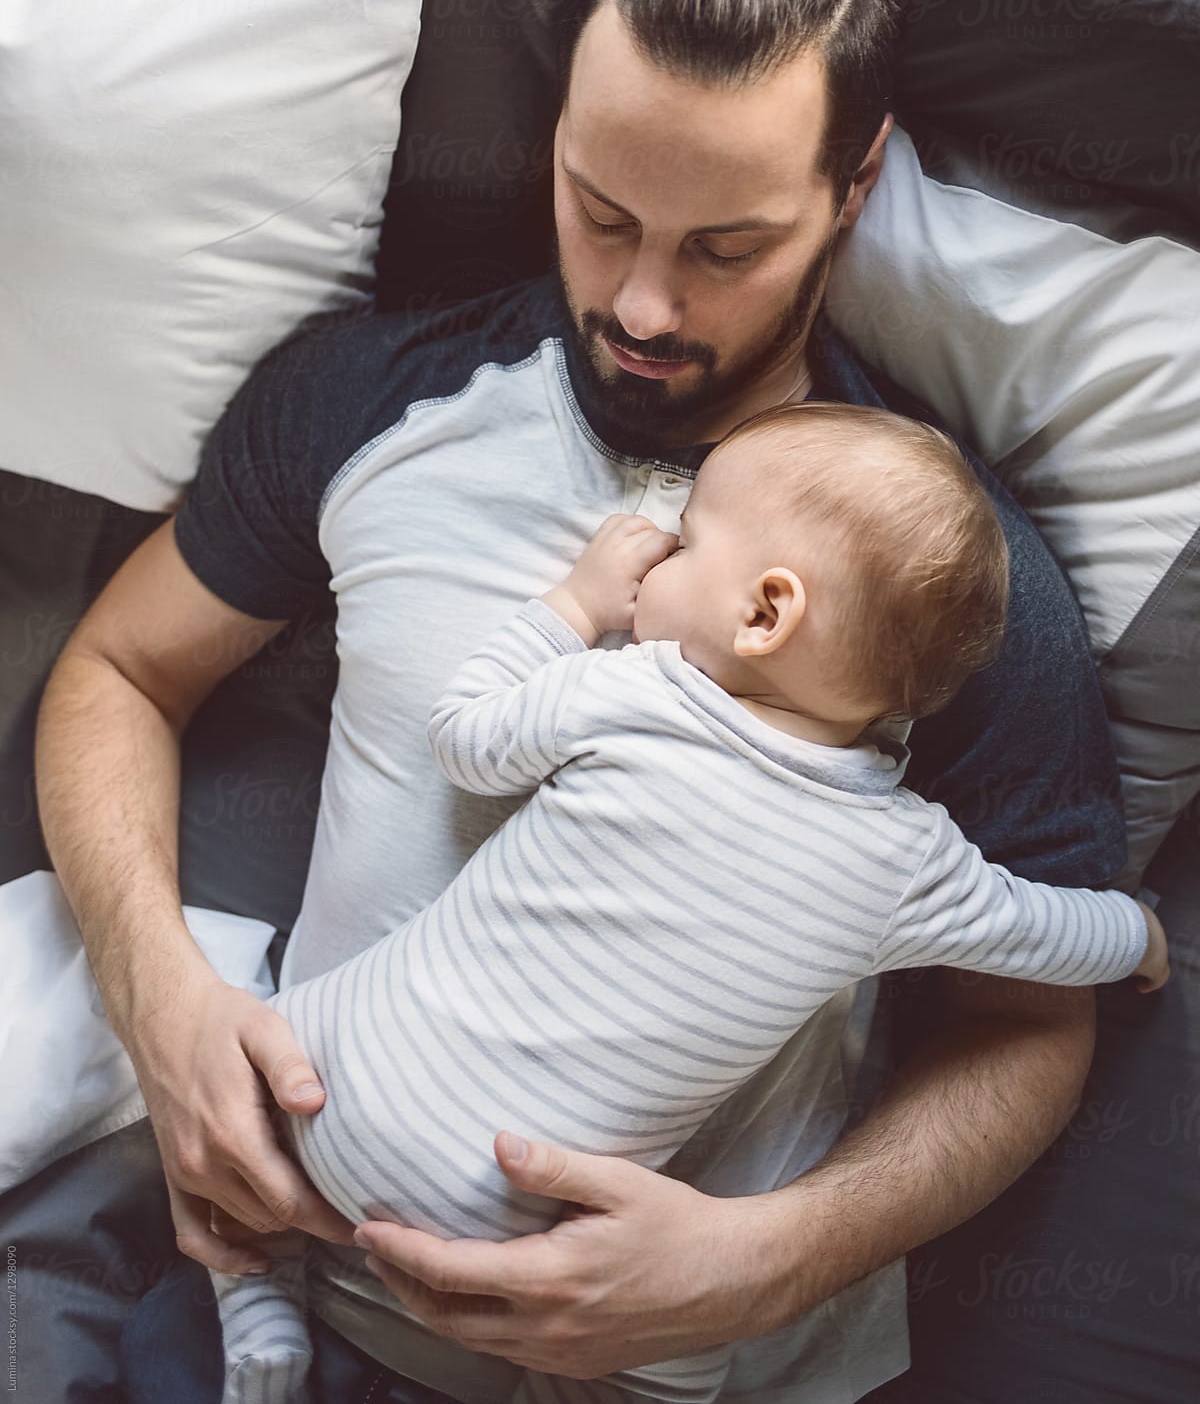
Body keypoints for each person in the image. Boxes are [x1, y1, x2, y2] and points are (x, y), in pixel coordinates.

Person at [37, 0, 1131, 1403]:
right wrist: (160, 1001)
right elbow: (121, 673)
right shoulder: (370, 399)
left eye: (726, 247)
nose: (639, 303)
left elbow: (1033, 1022)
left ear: (854, 185)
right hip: (280, 1286)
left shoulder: (937, 586)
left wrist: (771, 1257)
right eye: (601, 207)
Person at [206, 404, 1167, 1404]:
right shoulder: (913, 865)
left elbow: (466, 736)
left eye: (688, 541)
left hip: (325, 1079)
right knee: (682, 1360)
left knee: (250, 1026)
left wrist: (572, 606)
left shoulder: (639, 693)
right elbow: (1049, 930)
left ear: (764, 612)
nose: (656, 556)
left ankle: (254, 1293)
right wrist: (1137, 936)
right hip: (518, 1210)